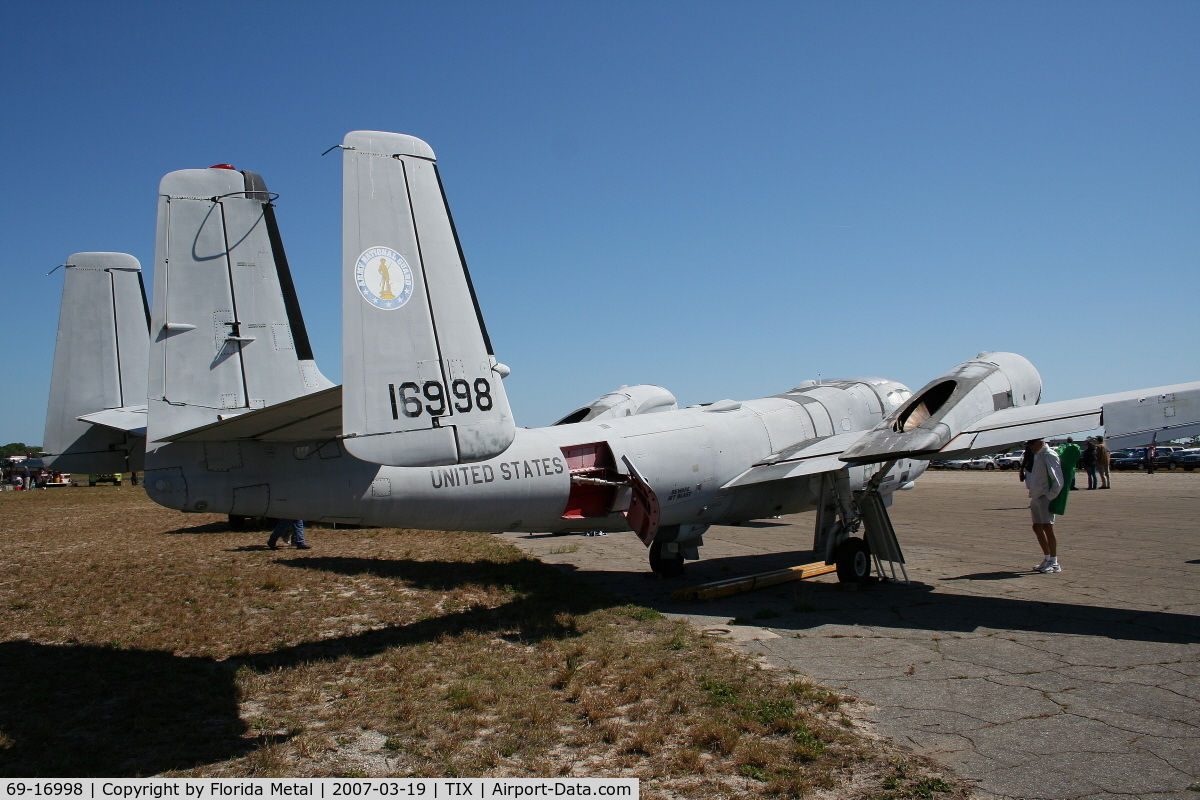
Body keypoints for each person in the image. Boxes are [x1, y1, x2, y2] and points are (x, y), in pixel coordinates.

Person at [1024, 438, 1064, 573]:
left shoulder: (1049, 455)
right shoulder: (1038, 455)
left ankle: (1054, 561)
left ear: (1040, 442)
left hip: (1045, 497)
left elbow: (1058, 480)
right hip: (1036, 496)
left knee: (1048, 527)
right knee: (1037, 527)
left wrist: (1049, 496)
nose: (1030, 447)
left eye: (1032, 444)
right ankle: (1047, 558)